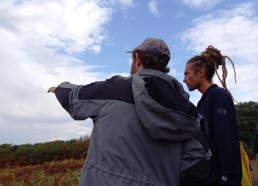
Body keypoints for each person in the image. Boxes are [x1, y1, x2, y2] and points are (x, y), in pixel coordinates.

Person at [48, 38, 210, 186]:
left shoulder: (113, 89)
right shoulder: (186, 110)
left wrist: (58, 89)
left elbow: (73, 98)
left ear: (138, 59)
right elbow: (197, 163)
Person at [183, 46, 242, 186]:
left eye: (187, 74)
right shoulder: (203, 102)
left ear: (201, 73)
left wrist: (228, 177)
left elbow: (226, 138)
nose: (184, 79)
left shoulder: (218, 96)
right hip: (210, 178)